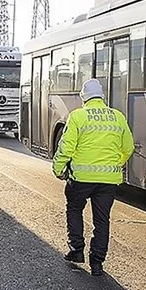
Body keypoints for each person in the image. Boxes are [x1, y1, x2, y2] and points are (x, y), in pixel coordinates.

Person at [52, 79, 134, 276]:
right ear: (102, 96)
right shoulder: (118, 117)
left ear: (83, 97)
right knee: (102, 220)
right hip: (108, 181)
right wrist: (115, 164)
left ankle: (77, 250)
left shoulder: (78, 116)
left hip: (81, 178)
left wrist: (58, 168)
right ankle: (97, 263)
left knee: (74, 209)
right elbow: (128, 148)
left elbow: (66, 147)